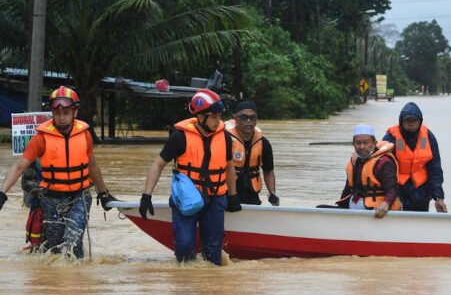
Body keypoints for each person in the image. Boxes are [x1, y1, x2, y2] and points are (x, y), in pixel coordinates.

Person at [0, 86, 116, 258]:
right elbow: (19, 167)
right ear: (52, 113)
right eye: (57, 112)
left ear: (75, 112)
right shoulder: (40, 139)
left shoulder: (85, 135)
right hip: (51, 199)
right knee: (55, 250)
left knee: (73, 242)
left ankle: (77, 281)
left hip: (80, 197)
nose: (62, 117)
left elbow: (92, 165)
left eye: (66, 113)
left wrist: (104, 193)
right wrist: (2, 192)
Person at [139, 89, 242, 265]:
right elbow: (158, 164)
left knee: (213, 251)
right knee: (185, 246)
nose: (219, 120)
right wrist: (146, 195)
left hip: (215, 198)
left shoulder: (224, 137)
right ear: (200, 116)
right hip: (187, 198)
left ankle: (209, 287)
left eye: (219, 116)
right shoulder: (180, 137)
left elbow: (229, 166)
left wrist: (232, 196)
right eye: (214, 117)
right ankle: (185, 284)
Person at [382, 102, 447, 212]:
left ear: (420, 121)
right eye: (407, 120)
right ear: (401, 121)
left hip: (422, 193)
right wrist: (391, 198)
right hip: (398, 192)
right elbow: (383, 170)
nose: (411, 124)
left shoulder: (428, 137)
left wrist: (438, 198)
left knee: (419, 225)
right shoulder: (390, 137)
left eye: (414, 121)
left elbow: (435, 170)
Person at [337, 124, 401, 218]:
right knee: (320, 207)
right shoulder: (355, 161)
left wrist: (385, 204)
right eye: (358, 143)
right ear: (353, 144)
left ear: (374, 143)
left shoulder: (384, 162)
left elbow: (392, 189)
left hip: (376, 210)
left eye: (366, 143)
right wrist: (339, 207)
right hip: (355, 208)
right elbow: (347, 189)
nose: (362, 147)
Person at [224, 101, 279, 206]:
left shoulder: (264, 143)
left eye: (252, 118)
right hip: (227, 193)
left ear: (256, 120)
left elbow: (268, 171)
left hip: (251, 192)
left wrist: (272, 194)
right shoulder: (224, 139)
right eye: (243, 117)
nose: (248, 121)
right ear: (235, 119)